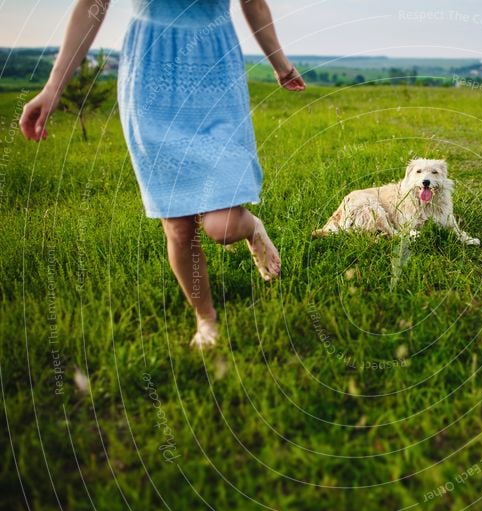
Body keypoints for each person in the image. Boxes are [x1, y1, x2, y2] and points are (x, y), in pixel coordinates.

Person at [19, 0, 305, 349]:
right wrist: (52, 88)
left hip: (215, 74)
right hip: (150, 77)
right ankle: (206, 318)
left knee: (223, 225)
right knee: (179, 226)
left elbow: (253, 2)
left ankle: (250, 227)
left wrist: (281, 64)